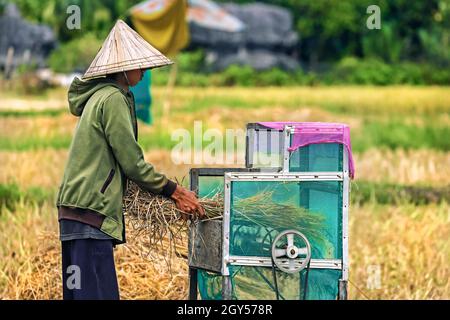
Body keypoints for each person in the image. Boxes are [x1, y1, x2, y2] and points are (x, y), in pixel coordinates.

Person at [55, 20, 204, 300]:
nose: (145, 71)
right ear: (123, 68)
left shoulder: (101, 96)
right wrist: (176, 191)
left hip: (77, 212)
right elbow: (133, 163)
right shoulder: (111, 99)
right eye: (140, 65)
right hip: (91, 212)